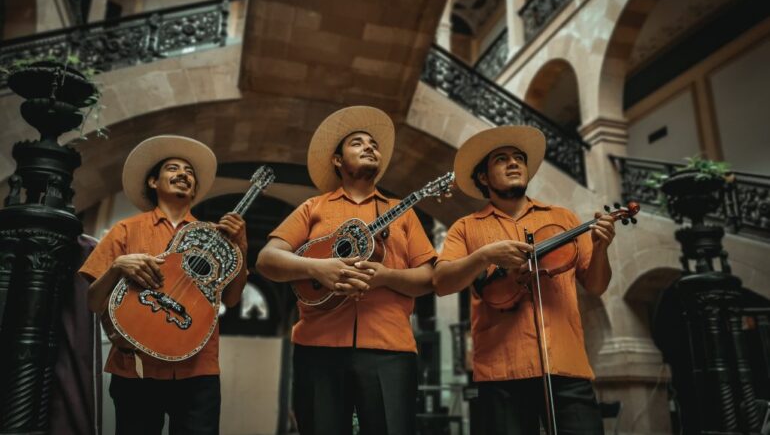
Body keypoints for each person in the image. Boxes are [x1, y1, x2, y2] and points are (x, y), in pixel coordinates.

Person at [257, 106, 436, 435]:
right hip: (318, 348)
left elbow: (428, 278)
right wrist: (318, 267)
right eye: (357, 142)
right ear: (337, 160)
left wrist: (385, 277)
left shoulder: (401, 212)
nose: (370, 147)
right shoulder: (314, 207)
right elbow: (268, 259)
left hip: (390, 350)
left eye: (373, 144)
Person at [433, 126, 617, 434]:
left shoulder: (563, 219)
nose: (514, 163)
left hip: (567, 366)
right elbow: (441, 282)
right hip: (502, 371)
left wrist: (601, 248)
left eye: (518, 158)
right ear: (483, 177)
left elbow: (596, 285)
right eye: (501, 159)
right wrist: (485, 256)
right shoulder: (465, 228)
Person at [79, 135, 248, 435]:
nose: (183, 174)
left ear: (194, 189)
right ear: (154, 182)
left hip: (198, 369)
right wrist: (118, 266)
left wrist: (242, 248)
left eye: (189, 172)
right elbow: (93, 302)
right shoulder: (125, 230)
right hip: (135, 368)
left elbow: (232, 300)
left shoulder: (214, 237)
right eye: (173, 168)